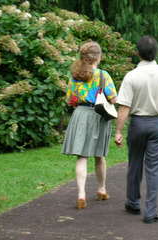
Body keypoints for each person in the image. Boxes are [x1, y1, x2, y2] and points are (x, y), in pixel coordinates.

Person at [115, 36, 158, 223]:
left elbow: (124, 108)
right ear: (156, 52)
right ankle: (151, 212)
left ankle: (133, 203)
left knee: (134, 163)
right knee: (154, 169)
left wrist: (119, 131)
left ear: (138, 53)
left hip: (137, 124)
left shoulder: (131, 76)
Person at [61, 41, 117, 209]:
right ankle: (101, 189)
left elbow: (70, 101)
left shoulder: (75, 76)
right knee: (99, 156)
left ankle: (81, 195)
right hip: (98, 116)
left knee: (82, 156)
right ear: (98, 57)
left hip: (80, 115)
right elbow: (114, 99)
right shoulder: (103, 75)